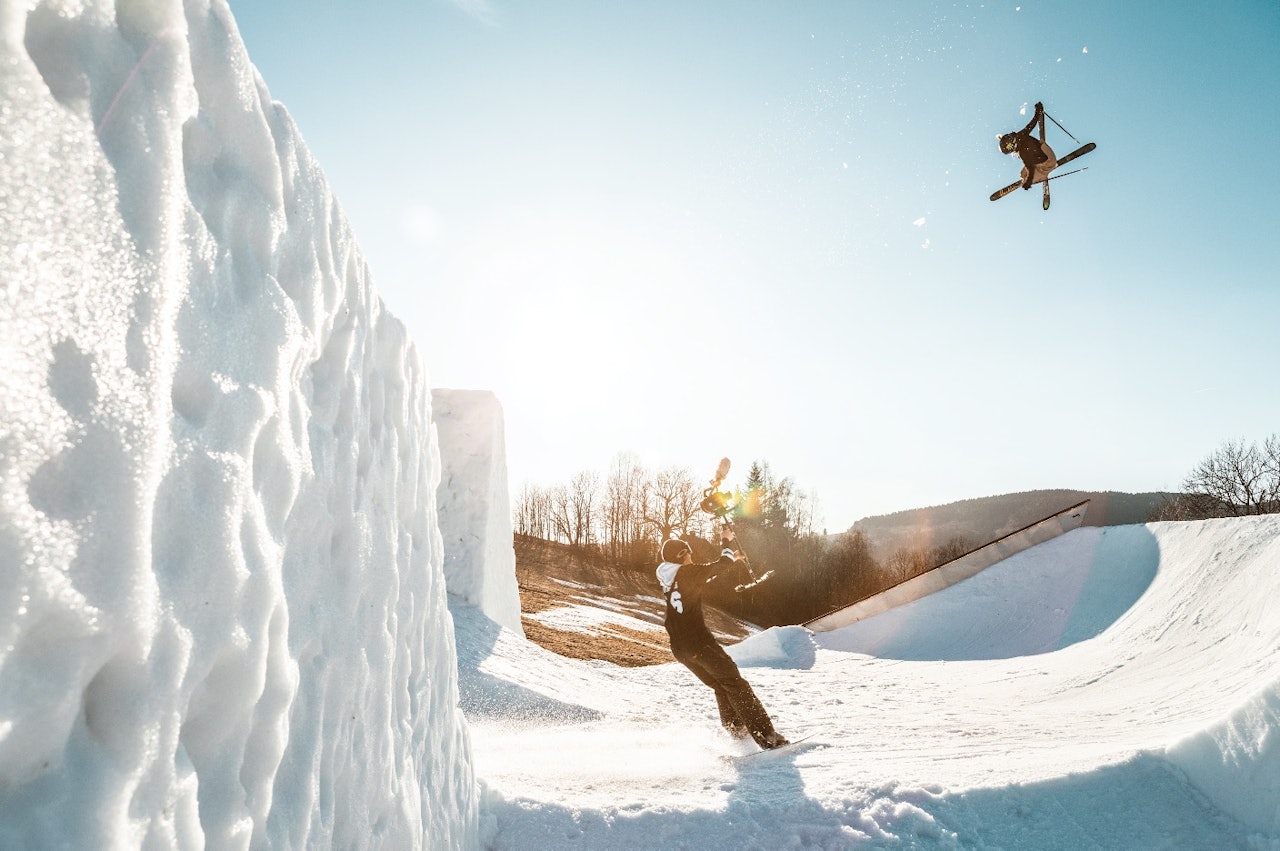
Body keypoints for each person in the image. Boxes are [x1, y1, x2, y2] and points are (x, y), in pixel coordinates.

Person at [656, 532, 789, 749]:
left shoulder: (669, 578)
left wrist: (731, 559)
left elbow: (707, 573)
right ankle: (766, 736)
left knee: (720, 684)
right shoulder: (686, 572)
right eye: (688, 554)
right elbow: (718, 565)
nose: (691, 557)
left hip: (680, 649)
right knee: (735, 684)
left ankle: (737, 731)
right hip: (699, 644)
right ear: (681, 555)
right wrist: (726, 540)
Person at [998, 101, 1051, 189]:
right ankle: (1030, 177)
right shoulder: (1021, 136)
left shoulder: (1022, 151)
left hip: (1047, 162)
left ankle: (1041, 175)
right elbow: (1031, 125)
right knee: (1023, 174)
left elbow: (1030, 168)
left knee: (1027, 173)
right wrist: (1038, 111)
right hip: (1044, 155)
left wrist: (1029, 182)